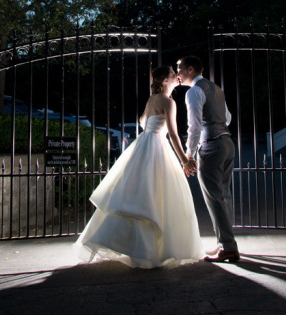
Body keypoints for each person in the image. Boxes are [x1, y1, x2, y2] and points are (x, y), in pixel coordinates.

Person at [74, 66, 202, 268]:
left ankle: (133, 246)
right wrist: (184, 160)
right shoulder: (168, 102)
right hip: (157, 148)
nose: (176, 76)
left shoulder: (152, 99)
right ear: (164, 81)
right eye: (172, 74)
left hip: (143, 145)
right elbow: (173, 134)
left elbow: (143, 120)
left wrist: (152, 126)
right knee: (156, 196)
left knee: (136, 194)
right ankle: (153, 249)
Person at [178, 55, 240, 263]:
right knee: (224, 194)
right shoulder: (216, 88)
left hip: (212, 145)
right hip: (227, 143)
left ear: (191, 69)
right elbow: (228, 118)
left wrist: (189, 154)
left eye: (180, 69)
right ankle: (224, 243)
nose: (177, 73)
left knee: (214, 197)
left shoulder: (194, 92)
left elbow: (194, 127)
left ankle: (228, 247)